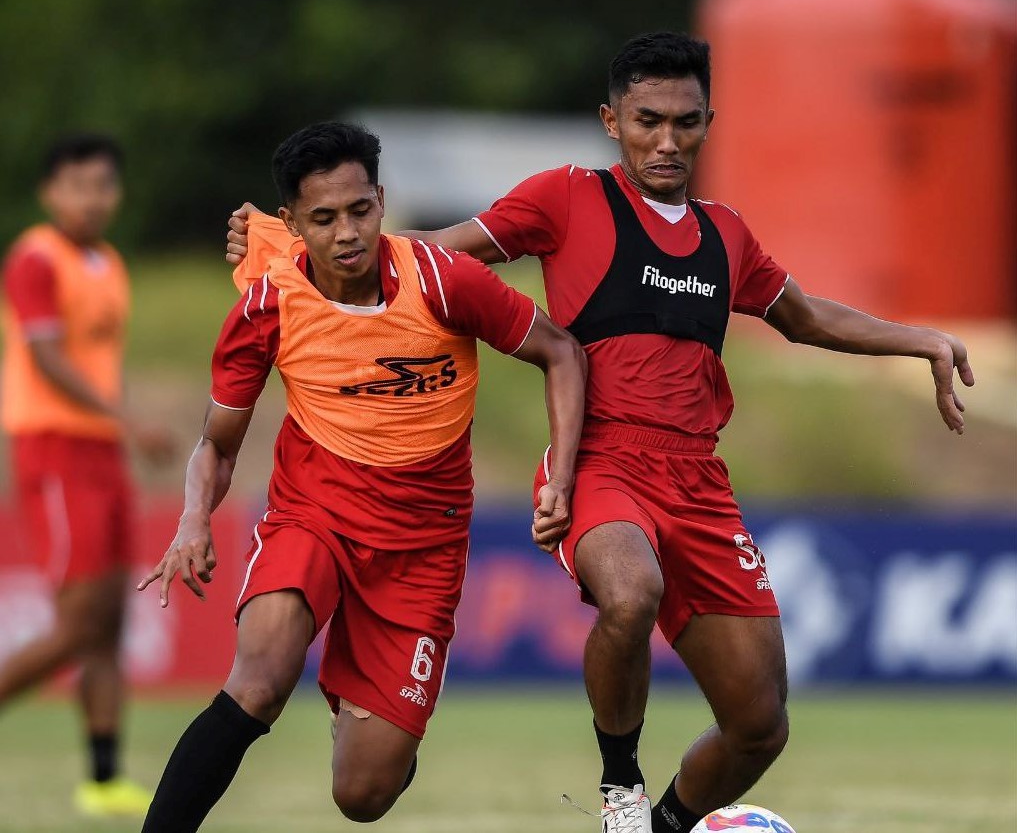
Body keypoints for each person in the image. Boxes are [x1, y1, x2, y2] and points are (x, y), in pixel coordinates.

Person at [226, 33, 974, 833]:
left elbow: (805, 317)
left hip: (699, 483)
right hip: (601, 463)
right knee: (630, 591)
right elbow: (427, 259)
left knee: (760, 725)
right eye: (646, 120)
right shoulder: (568, 196)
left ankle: (664, 825)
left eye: (685, 122)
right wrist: (289, 248)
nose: (666, 140)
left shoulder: (726, 234)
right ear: (610, 121)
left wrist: (918, 337)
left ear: (707, 122)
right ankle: (619, 789)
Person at [138, 121, 586, 832]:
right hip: (312, 516)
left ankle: (373, 716)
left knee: (363, 796)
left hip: (420, 549)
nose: (346, 232)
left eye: (359, 211)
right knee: (257, 682)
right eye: (322, 219)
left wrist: (557, 476)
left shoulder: (442, 280)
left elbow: (560, 351)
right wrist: (194, 516)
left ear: (382, 199)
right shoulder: (266, 306)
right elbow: (217, 445)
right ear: (293, 224)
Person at [0, 133, 174, 818]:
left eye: (102, 184)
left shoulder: (110, 264)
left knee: (108, 622)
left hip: (99, 450)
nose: (91, 198)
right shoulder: (36, 258)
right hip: (54, 447)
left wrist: (120, 428)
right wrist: (129, 419)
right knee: (76, 624)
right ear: (50, 193)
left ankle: (102, 779)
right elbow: (45, 358)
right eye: (76, 185)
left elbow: (101, 359)